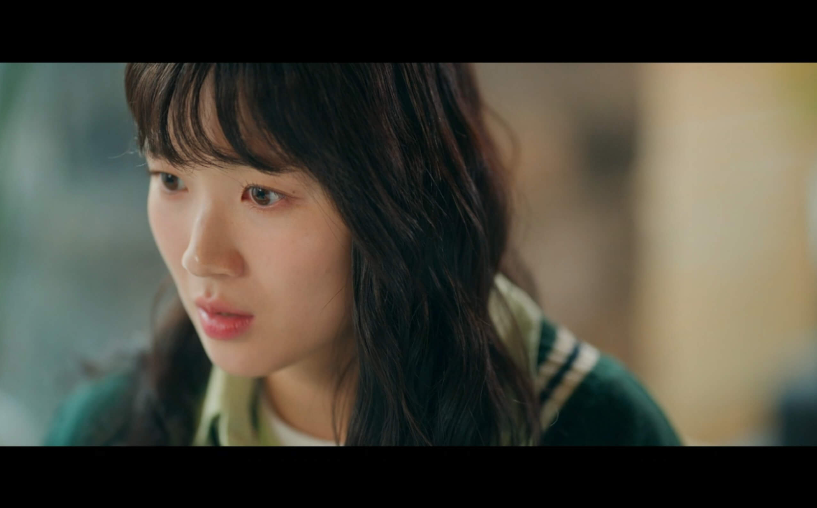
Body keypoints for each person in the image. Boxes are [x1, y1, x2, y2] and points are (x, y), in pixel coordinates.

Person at [44, 63, 681, 446]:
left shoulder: (595, 427)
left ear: (397, 195)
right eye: (170, 179)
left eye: (262, 194)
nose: (200, 257)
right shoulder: (112, 428)